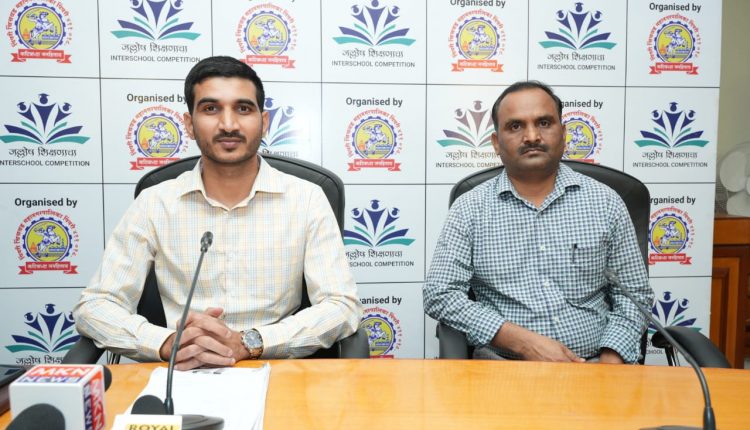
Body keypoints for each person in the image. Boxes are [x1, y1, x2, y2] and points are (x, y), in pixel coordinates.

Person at [74, 56, 362, 370]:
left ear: (264, 122)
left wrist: (249, 342)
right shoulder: (154, 202)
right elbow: (96, 306)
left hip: (276, 369)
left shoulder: (307, 199)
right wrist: (167, 343)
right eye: (211, 108)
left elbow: (341, 306)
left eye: (243, 109)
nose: (228, 125)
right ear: (189, 124)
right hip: (182, 371)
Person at [423, 81, 654, 364]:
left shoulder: (606, 202)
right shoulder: (470, 208)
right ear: (496, 142)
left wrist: (611, 360)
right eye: (515, 126)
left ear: (563, 134)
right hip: (504, 368)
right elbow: (440, 294)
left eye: (544, 123)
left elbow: (634, 295)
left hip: (595, 365)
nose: (532, 136)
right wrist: (522, 342)